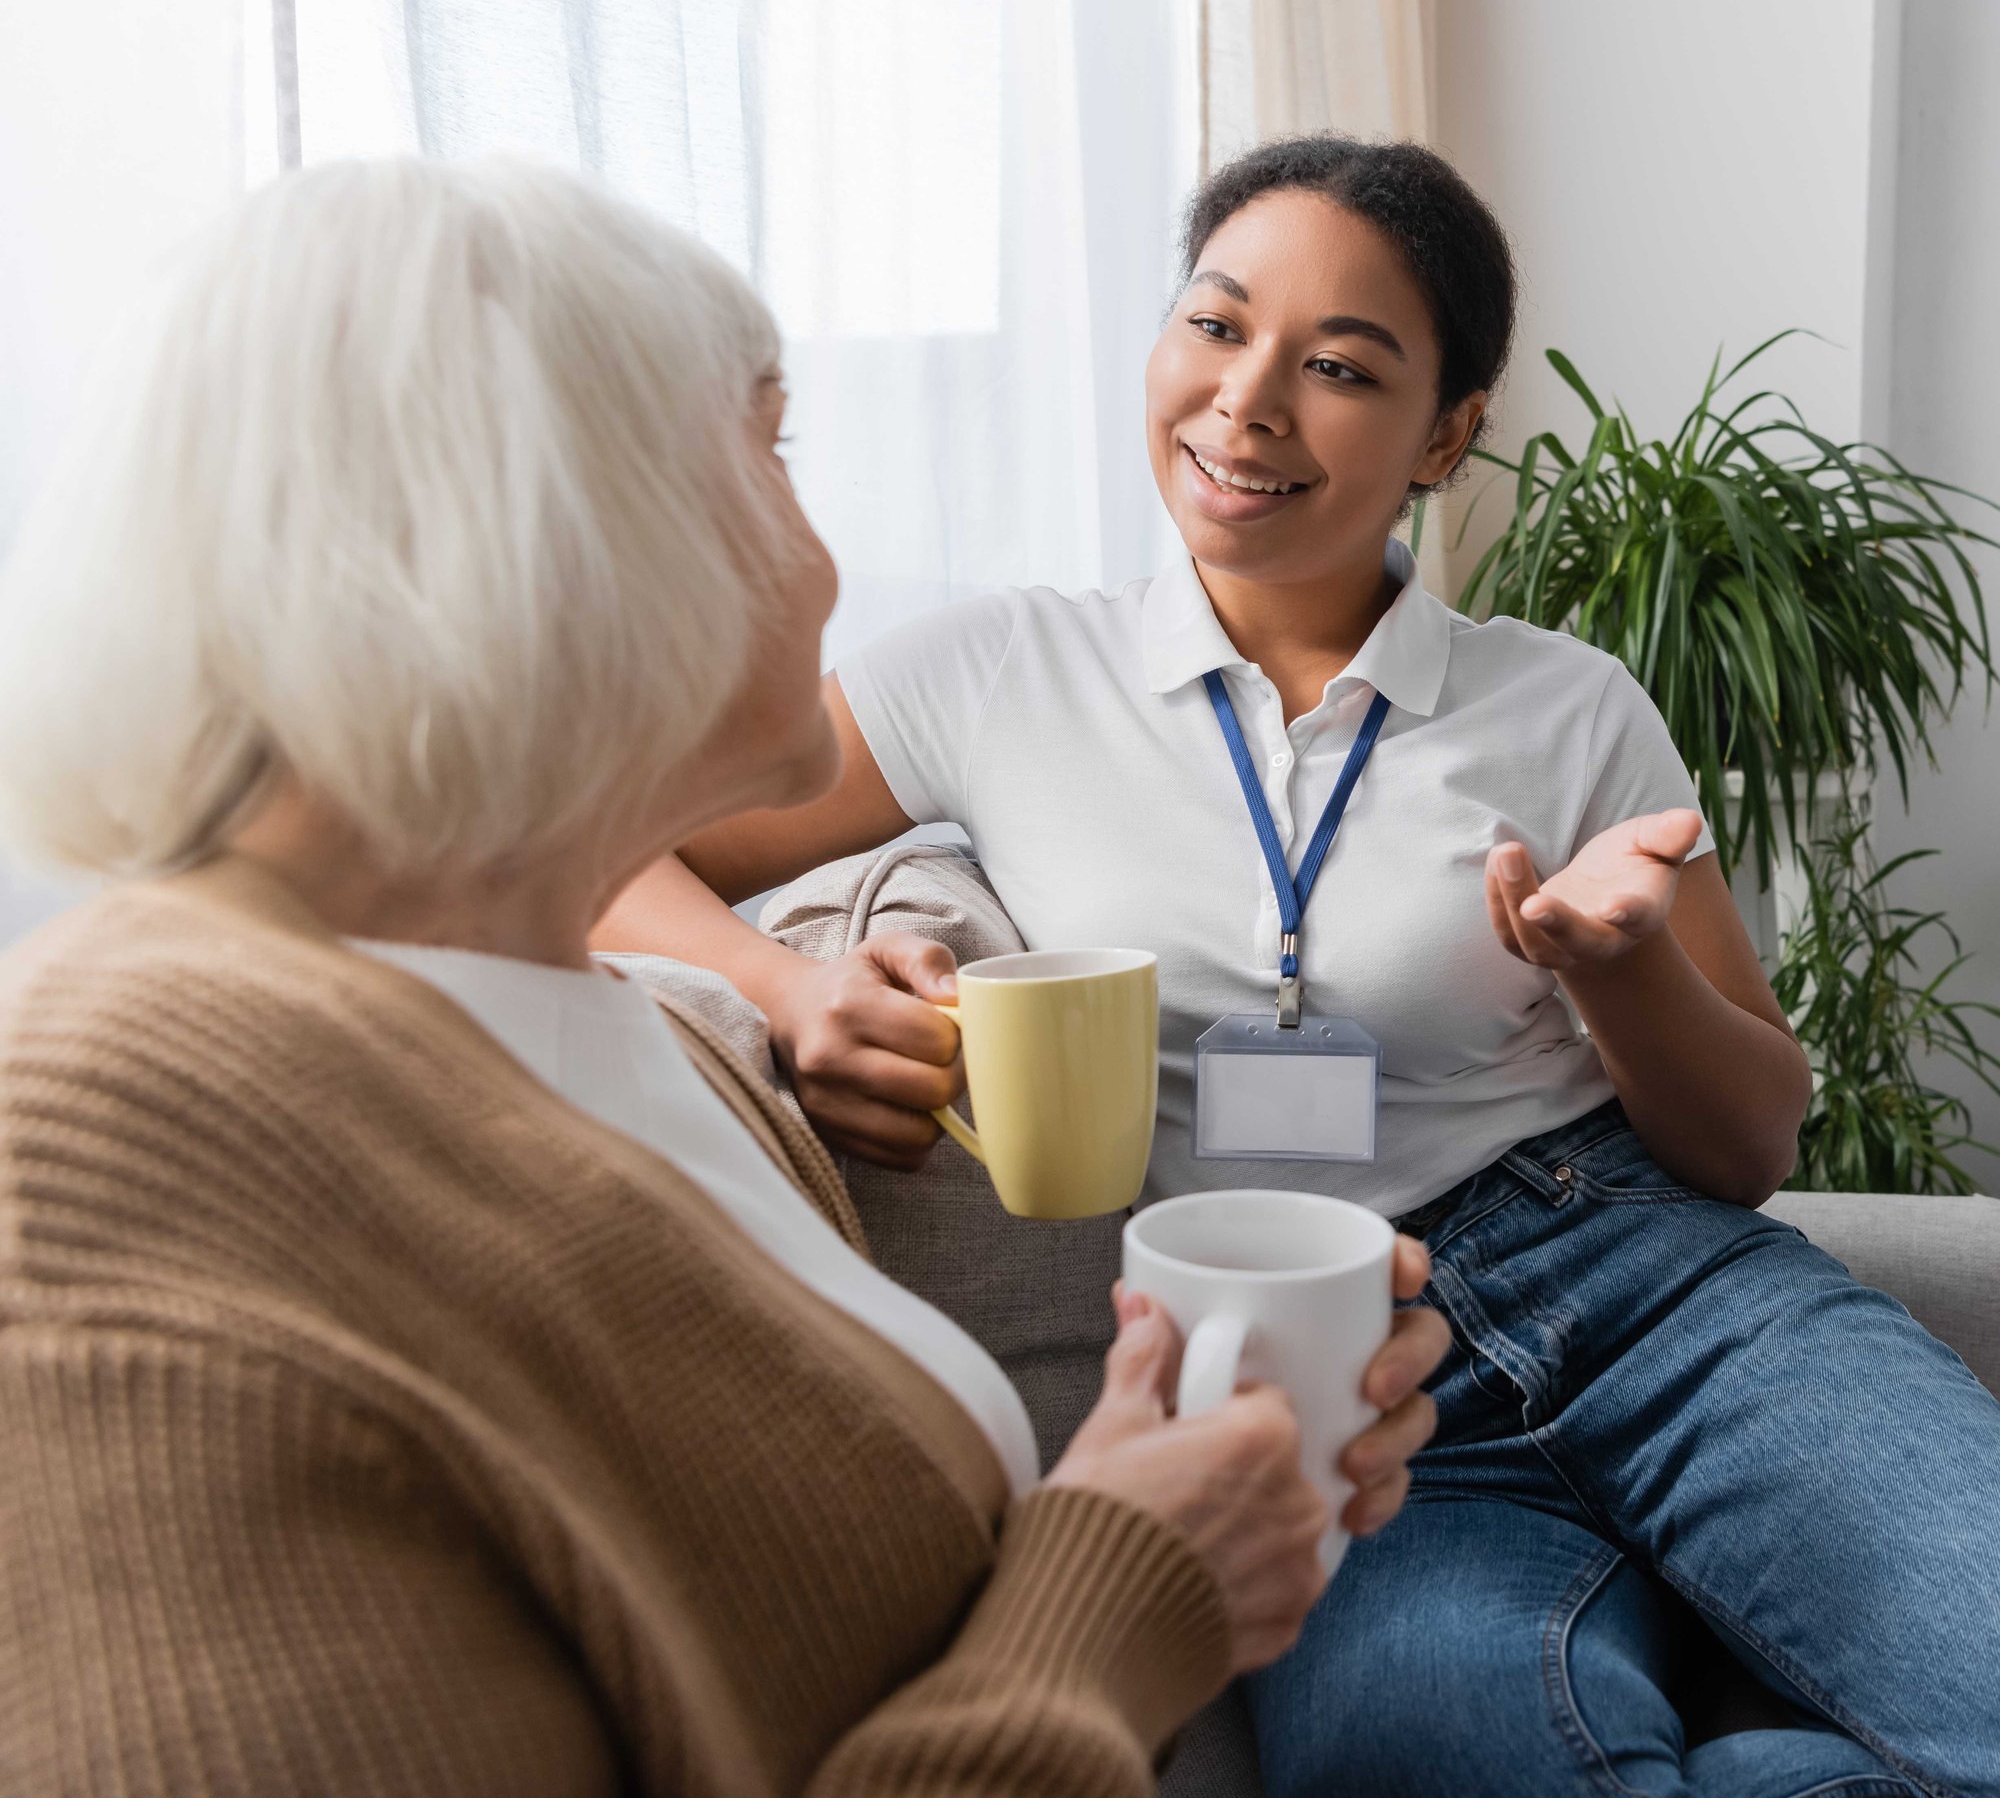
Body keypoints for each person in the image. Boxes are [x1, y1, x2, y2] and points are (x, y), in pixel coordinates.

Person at [0, 157, 1451, 1798]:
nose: (824, 559)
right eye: (773, 449)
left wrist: (1144, 1484)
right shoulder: (97, 1203)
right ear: (539, 535)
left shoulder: (586, 1020)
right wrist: (1123, 1598)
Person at [601, 135, 2000, 1798]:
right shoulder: (994, 671)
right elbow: (596, 847)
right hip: (1329, 1378)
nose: (1248, 401)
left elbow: (1751, 1146)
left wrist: (1623, 973)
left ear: (1446, 435)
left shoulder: (1566, 704)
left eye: (1340, 367)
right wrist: (788, 991)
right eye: (1215, 325)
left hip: (1651, 1289)